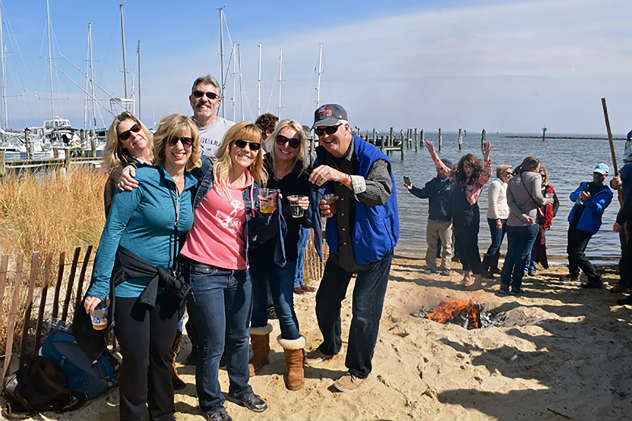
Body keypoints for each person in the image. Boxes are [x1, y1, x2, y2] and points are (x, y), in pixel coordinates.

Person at [84, 114, 201, 421]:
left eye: (186, 140)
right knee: (136, 360)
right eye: (173, 139)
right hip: (132, 284)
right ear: (163, 143)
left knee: (162, 357)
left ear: (193, 145)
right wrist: (99, 286)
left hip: (168, 286)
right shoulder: (135, 180)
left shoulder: (192, 184)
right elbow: (112, 232)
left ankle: (163, 415)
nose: (179, 146)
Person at [304, 104, 399, 392]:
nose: (325, 136)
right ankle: (330, 346)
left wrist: (341, 178)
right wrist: (321, 203)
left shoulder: (373, 158)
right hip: (341, 245)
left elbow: (380, 192)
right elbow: (317, 189)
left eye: (331, 129)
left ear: (347, 128)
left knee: (364, 313)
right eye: (320, 131)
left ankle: (358, 370)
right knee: (325, 302)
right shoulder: (320, 156)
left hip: (373, 247)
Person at [180, 122, 268, 420]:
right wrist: (129, 171)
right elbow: (172, 165)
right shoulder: (206, 171)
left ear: (258, 153)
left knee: (240, 336)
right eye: (241, 143)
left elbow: (253, 231)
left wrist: (269, 217)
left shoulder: (253, 186)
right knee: (212, 342)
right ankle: (211, 403)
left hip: (239, 271)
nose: (247, 150)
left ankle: (240, 389)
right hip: (203, 269)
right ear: (230, 144)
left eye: (254, 146)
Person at [249, 119, 311, 390]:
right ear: (272, 139)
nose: (286, 145)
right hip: (256, 245)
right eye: (282, 139)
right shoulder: (258, 168)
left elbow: (312, 218)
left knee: (285, 306)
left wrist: (308, 206)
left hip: (285, 249)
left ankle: (295, 363)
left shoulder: (304, 174)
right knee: (258, 303)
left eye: (293, 142)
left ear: (300, 147)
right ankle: (260, 356)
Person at [425, 139, 492, 289]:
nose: (468, 169)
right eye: (465, 166)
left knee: (471, 247)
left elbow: (488, 173)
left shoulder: (477, 180)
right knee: (461, 247)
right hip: (458, 217)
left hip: (470, 216)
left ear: (475, 167)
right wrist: (433, 153)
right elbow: (442, 168)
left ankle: (478, 279)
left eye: (470, 166)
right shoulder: (458, 178)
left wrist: (486, 156)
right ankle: (466, 276)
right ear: (462, 166)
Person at [500, 157, 553, 295]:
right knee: (523, 256)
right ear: (535, 167)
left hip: (513, 222)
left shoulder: (512, 180)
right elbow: (537, 196)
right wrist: (547, 200)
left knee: (511, 254)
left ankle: (504, 286)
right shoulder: (535, 177)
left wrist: (520, 215)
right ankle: (516, 287)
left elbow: (510, 203)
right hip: (530, 221)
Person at [403, 159, 455, 275]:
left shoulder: (453, 185)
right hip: (432, 219)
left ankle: (445, 268)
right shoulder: (432, 183)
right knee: (431, 245)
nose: (438, 170)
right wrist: (411, 188)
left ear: (448, 170)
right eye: (437, 168)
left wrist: (454, 220)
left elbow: (456, 204)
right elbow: (423, 194)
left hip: (447, 220)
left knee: (447, 246)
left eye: (441, 168)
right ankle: (431, 266)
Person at [567, 163, 613, 288]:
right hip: (575, 220)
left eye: (600, 174)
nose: (597, 176)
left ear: (606, 175)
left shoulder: (606, 193)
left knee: (577, 252)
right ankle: (573, 274)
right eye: (595, 173)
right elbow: (572, 197)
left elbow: (598, 209)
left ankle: (595, 278)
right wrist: (579, 196)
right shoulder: (584, 185)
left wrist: (588, 201)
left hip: (587, 225)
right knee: (570, 250)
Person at [102, 111, 154, 216]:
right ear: (122, 145)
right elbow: (114, 220)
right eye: (126, 135)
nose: (134, 135)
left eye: (135, 128)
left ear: (142, 128)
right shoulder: (119, 176)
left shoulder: (166, 160)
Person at [525, 165, 559, 276]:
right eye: (539, 175)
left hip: (544, 223)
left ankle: (532, 267)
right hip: (532, 221)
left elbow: (556, 203)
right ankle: (525, 267)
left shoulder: (550, 189)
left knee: (539, 246)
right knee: (528, 245)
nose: (541, 178)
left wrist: (551, 214)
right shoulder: (531, 187)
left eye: (543, 175)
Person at [189, 75, 234, 157]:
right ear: (191, 99)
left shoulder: (232, 131)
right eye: (198, 94)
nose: (204, 99)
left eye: (211, 96)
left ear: (218, 102)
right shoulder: (177, 128)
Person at [611, 133, 632, 304]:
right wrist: (615, 182)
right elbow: (616, 181)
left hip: (628, 216)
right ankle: (625, 282)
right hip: (627, 214)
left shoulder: (630, 167)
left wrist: (619, 220)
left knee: (628, 252)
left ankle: (626, 283)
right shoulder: (627, 167)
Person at [482, 165, 512, 278]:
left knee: (498, 244)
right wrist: (497, 219)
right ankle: (484, 268)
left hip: (505, 217)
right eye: (507, 173)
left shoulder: (506, 184)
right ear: (500, 173)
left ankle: (493, 267)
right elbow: (492, 203)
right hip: (495, 218)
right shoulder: (495, 184)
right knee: (495, 243)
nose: (510, 175)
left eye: (511, 173)